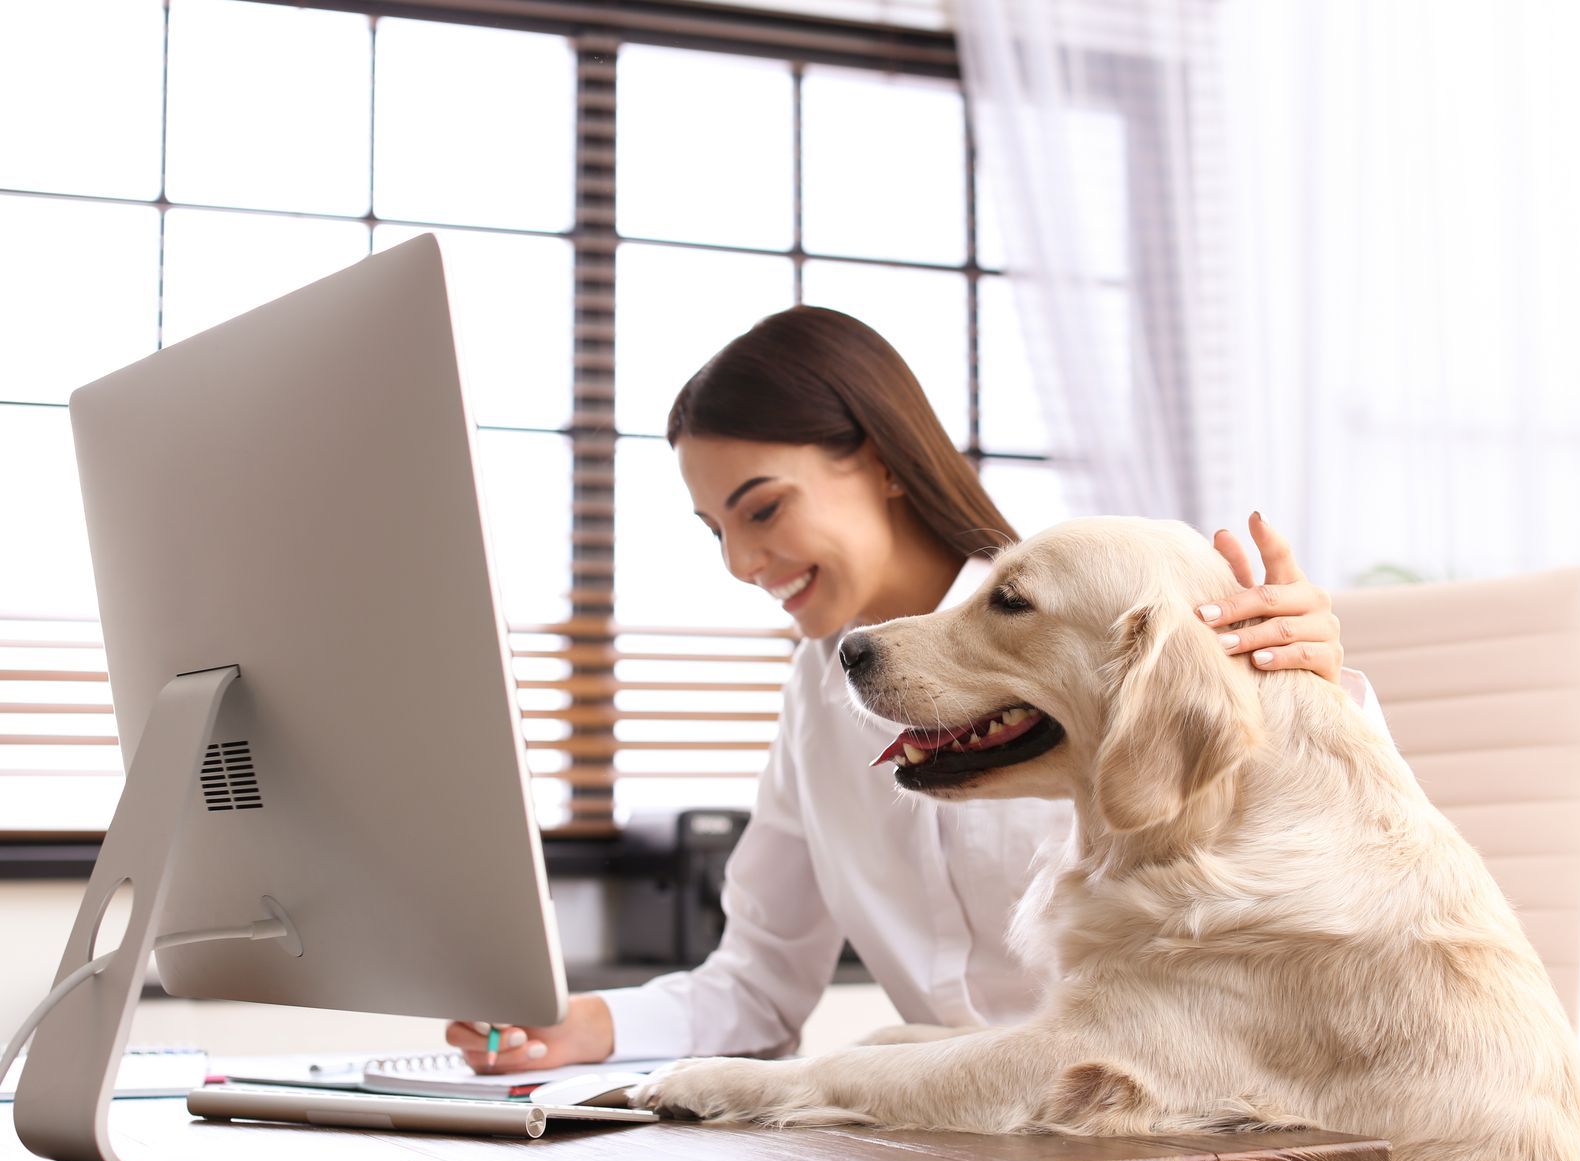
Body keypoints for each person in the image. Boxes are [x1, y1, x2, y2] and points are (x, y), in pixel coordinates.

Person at [445, 305, 1389, 1072]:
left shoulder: (1102, 623)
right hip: (944, 1145)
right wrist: (584, 1027)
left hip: (1143, 1129)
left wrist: (1302, 683)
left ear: (884, 464)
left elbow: (1334, 889)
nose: (740, 562)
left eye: (763, 509)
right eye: (714, 530)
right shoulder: (819, 698)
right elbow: (760, 983)